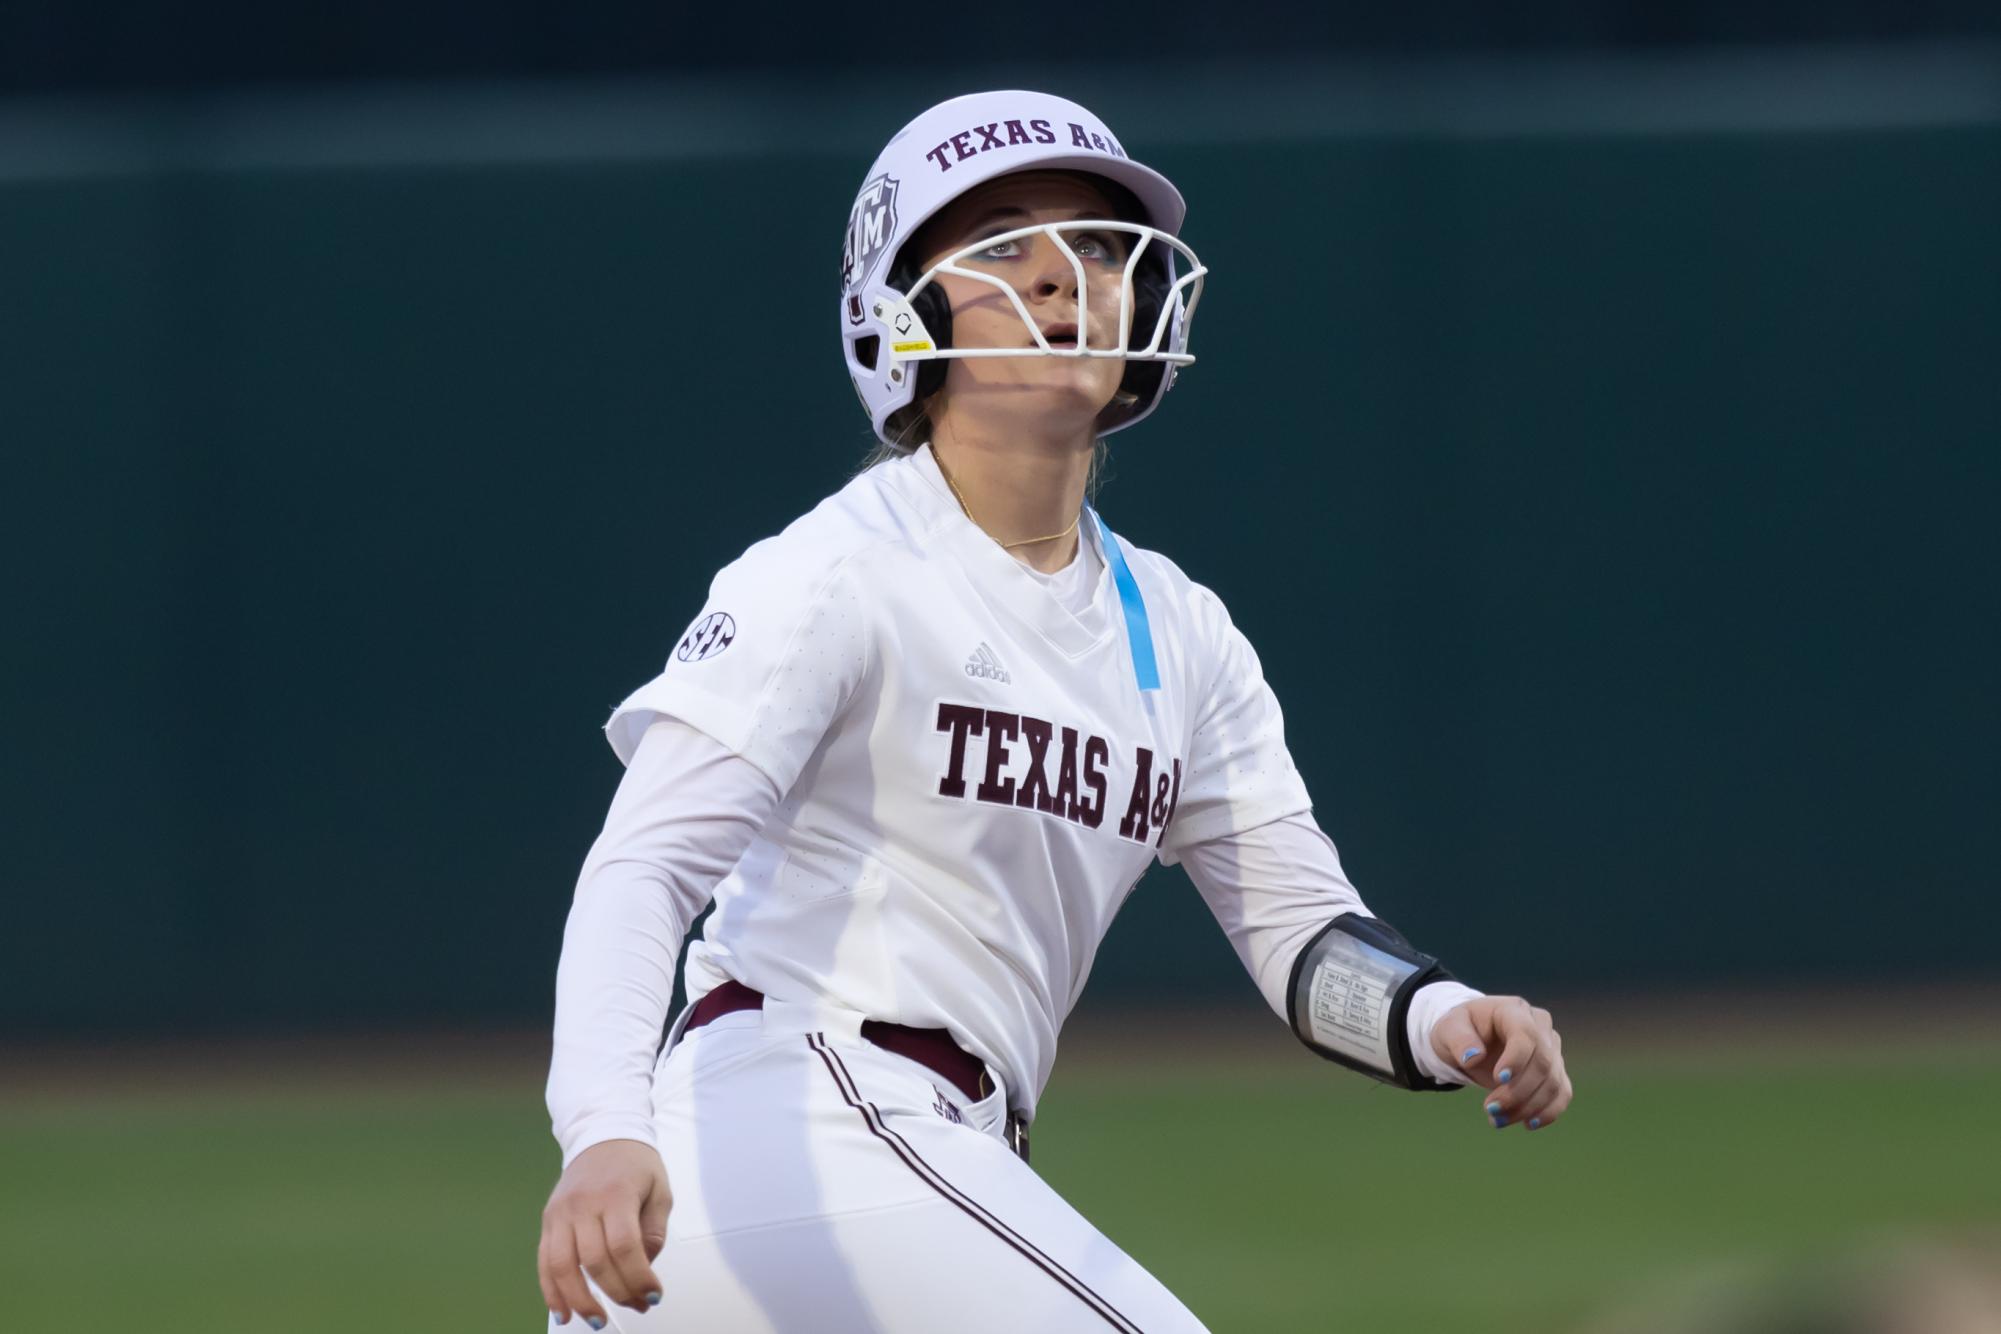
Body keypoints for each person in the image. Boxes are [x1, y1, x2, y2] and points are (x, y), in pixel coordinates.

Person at [537, 89, 1573, 1333]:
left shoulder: (1181, 631)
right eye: (1007, 244)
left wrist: (1448, 1018)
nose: (1065, 275)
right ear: (901, 311)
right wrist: (602, 1125)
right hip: (789, 1114)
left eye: (1094, 244)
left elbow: (1304, 935)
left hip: (905, 1168)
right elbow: (644, 863)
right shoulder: (838, 570)